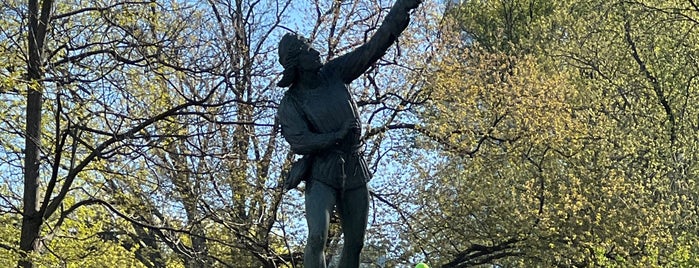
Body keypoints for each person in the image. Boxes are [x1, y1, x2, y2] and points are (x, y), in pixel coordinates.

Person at [276, 0, 421, 267]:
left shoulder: (334, 73)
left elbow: (370, 50)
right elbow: (299, 141)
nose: (316, 52)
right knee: (317, 236)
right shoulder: (292, 102)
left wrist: (401, 10)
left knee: (355, 243)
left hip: (354, 167)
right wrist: (336, 135)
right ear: (298, 62)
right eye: (309, 51)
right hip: (321, 171)